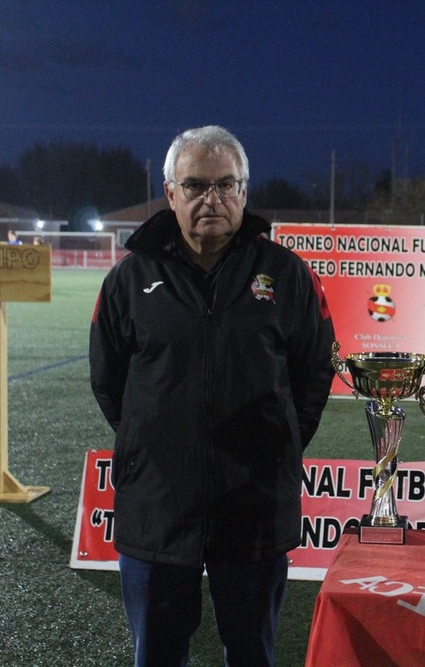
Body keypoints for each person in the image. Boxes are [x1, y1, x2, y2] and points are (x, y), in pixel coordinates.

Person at [89, 125, 335, 666]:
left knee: (251, 652)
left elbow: (314, 372)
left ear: (245, 192)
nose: (212, 199)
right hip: (157, 507)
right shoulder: (129, 280)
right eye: (196, 185)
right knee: (156, 654)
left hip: (254, 507)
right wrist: (153, 442)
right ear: (170, 192)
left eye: (226, 185)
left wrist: (278, 442)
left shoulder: (287, 274)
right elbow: (109, 382)